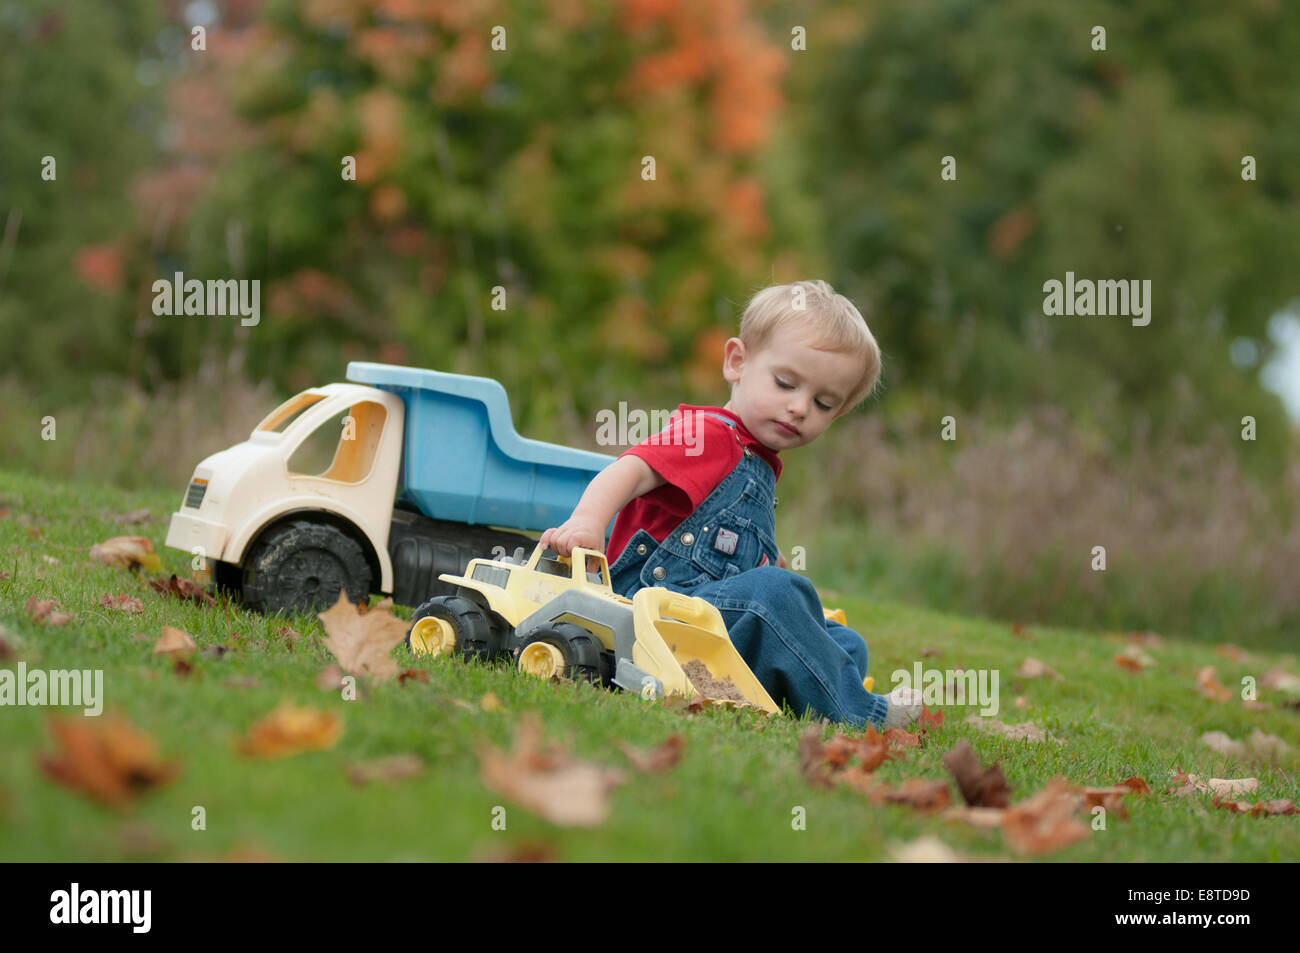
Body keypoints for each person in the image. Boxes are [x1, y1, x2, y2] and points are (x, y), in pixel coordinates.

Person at [539, 280, 921, 729]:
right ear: (737, 362)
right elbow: (631, 468)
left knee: (844, 640)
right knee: (780, 596)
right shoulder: (709, 434)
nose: (799, 407)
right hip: (658, 610)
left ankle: (786, 692)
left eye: (822, 403)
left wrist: (774, 568)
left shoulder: (759, 461)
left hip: (712, 618)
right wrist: (586, 521)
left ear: (837, 415)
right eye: (785, 383)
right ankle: (865, 715)